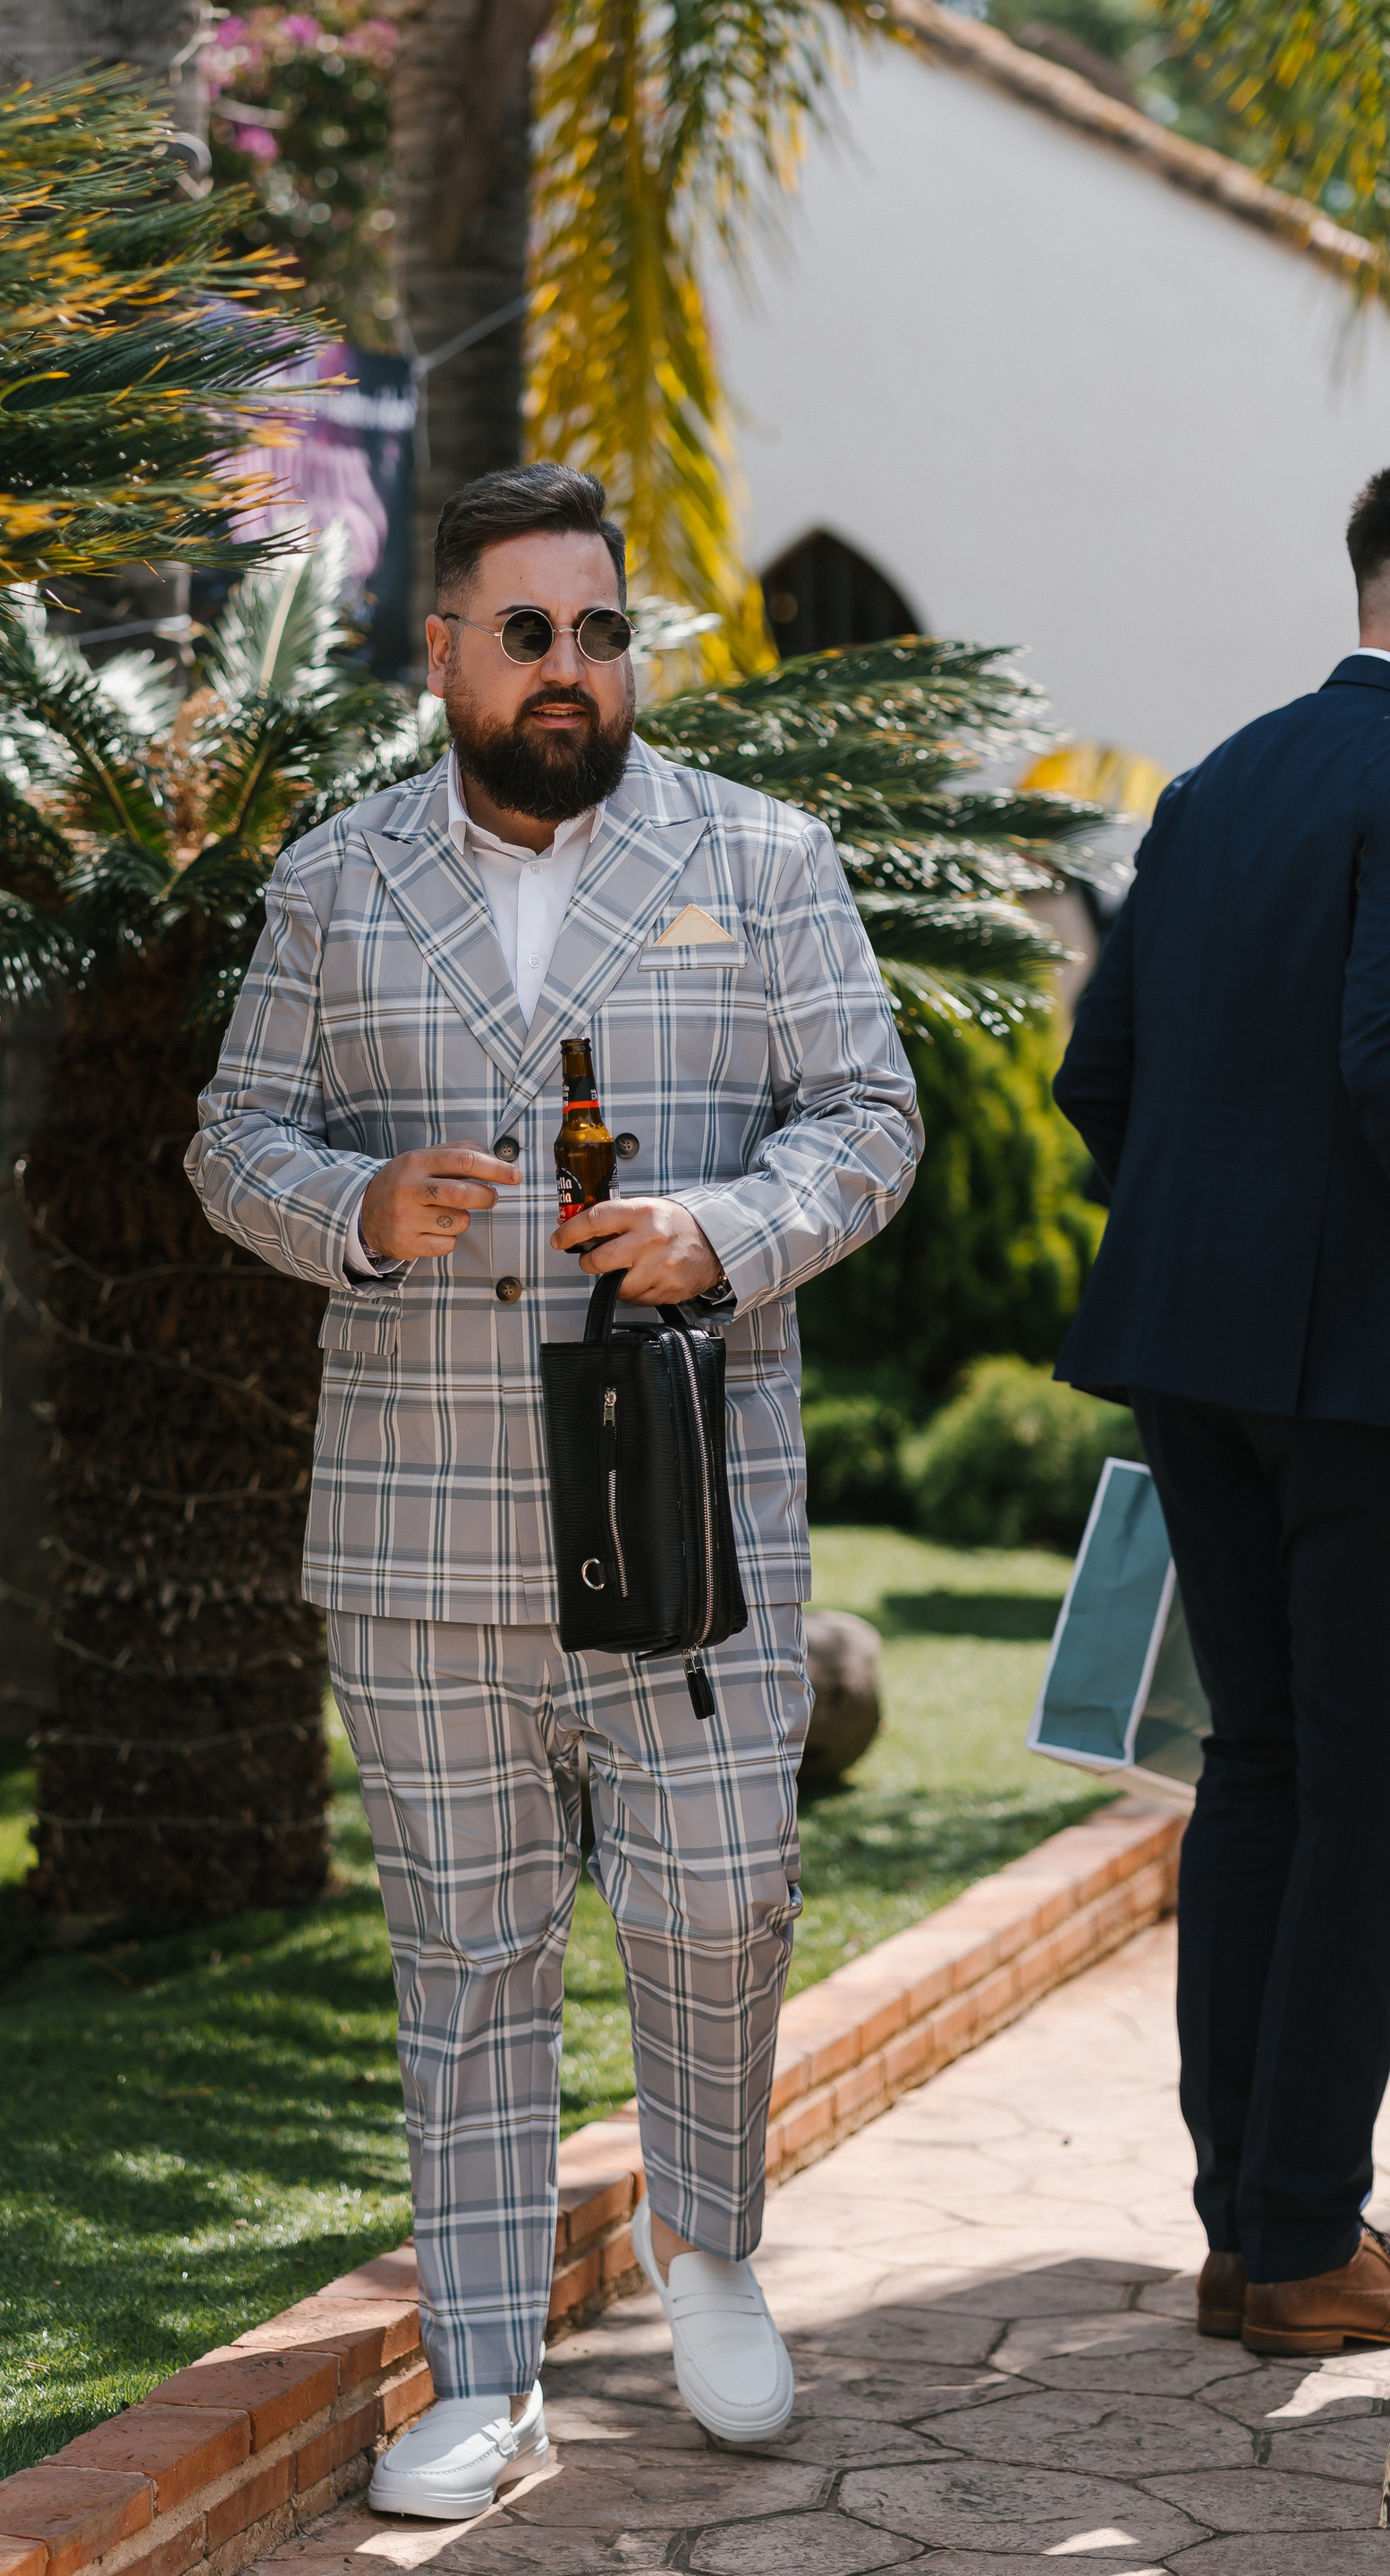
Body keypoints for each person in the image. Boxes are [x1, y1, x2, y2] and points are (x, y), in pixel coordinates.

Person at [186, 462, 921, 2512]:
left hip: (691, 1523)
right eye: (528, 633)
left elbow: (869, 1119)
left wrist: (723, 1231)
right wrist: (356, 1208)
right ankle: (486, 2371)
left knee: (723, 1906)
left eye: (601, 631)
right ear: (444, 654)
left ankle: (713, 2251)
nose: (571, 667)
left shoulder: (762, 859)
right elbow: (232, 1142)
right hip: (421, 1532)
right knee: (468, 1960)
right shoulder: (333, 884)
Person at [1053, 469, 1390, 2359]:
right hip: (1364, 1378)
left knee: (1257, 1769)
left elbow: (1099, 1075)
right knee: (1365, 1795)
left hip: (1193, 1347)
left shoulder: (1214, 783)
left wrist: (1214, 1255)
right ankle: (1305, 2239)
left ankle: (1246, 2230)